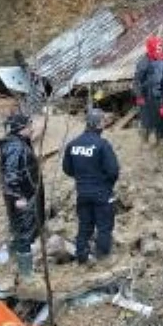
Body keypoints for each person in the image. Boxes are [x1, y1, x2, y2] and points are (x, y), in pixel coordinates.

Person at [61, 108, 120, 266]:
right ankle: (102, 259)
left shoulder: (73, 144)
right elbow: (113, 170)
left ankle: (82, 256)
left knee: (84, 225)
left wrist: (82, 178)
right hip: (102, 192)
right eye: (103, 121)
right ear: (99, 123)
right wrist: (106, 184)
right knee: (104, 226)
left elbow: (67, 168)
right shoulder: (102, 144)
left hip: (82, 191)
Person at [0, 112, 44, 297]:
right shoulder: (16, 147)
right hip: (22, 198)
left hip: (25, 194)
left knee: (20, 230)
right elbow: (11, 173)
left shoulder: (18, 143)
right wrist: (17, 196)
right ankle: (26, 274)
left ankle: (17, 262)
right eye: (29, 125)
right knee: (23, 232)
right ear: (21, 128)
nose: (32, 128)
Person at [131, 35, 163, 143]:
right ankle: (144, 140)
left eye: (161, 47)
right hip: (146, 97)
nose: (160, 49)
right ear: (152, 47)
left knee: (159, 119)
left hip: (158, 95)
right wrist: (139, 96)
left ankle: (159, 139)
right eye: (157, 47)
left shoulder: (162, 58)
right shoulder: (143, 63)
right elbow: (137, 81)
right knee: (146, 120)